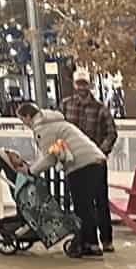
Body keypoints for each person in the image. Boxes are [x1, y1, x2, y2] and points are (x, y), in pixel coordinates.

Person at [14, 100, 109, 257]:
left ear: (28, 116)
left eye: (22, 119)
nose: (24, 124)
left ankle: (89, 243)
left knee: (82, 206)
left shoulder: (42, 129)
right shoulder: (56, 121)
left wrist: (30, 171)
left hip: (81, 164)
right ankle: (101, 241)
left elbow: (50, 157)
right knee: (97, 203)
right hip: (97, 158)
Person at [60, 73, 119, 252]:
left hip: (96, 161)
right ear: (75, 84)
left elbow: (111, 132)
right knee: (80, 202)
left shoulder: (100, 108)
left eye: (84, 83)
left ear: (89, 85)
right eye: (79, 83)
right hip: (74, 162)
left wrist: (101, 152)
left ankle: (106, 239)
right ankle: (86, 239)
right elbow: (59, 130)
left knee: (100, 200)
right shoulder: (66, 105)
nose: (82, 87)